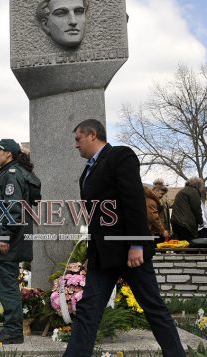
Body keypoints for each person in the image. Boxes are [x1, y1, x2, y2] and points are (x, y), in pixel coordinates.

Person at [64, 119, 184, 357]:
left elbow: (133, 201)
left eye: (78, 139)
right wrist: (92, 254)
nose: (76, 145)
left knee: (153, 308)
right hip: (103, 256)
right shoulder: (87, 172)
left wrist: (137, 243)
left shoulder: (120, 156)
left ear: (92, 135)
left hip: (131, 254)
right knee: (88, 309)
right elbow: (96, 220)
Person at [0, 139, 40, 345]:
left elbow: (13, 209)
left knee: (7, 287)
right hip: (9, 241)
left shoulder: (12, 175)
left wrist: (4, 236)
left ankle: (13, 332)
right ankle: (11, 327)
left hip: (8, 242)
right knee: (7, 286)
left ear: (9, 154)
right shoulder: (9, 174)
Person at [170, 177, 204, 242]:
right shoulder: (193, 192)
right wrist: (201, 222)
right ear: (198, 185)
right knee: (188, 245)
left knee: (180, 245)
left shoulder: (182, 191)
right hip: (186, 224)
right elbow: (197, 209)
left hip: (176, 222)